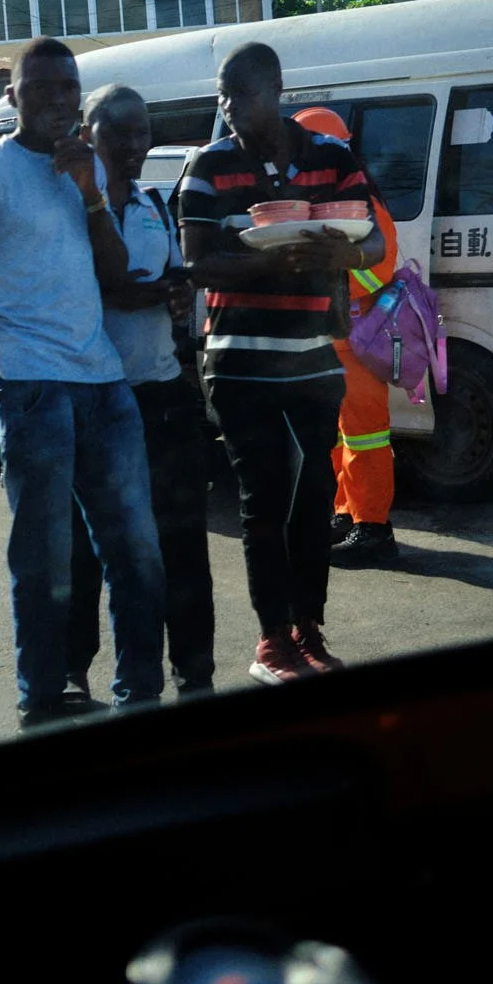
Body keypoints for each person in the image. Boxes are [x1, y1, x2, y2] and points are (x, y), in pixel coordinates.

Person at [0, 37, 167, 729]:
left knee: (137, 552)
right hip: (34, 389)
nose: (59, 100)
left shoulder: (85, 169)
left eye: (69, 87)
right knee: (43, 557)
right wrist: (2, 332)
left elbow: (115, 274)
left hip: (104, 384)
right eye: (42, 88)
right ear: (13, 97)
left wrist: (89, 192)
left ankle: (141, 696)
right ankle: (43, 700)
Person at [177, 43, 388, 686]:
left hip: (314, 360)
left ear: (275, 90)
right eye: (222, 94)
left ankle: (308, 628)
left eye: (240, 93)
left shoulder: (332, 157)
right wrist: (270, 260)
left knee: (314, 497)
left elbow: (374, 240)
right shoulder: (208, 165)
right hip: (239, 361)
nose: (228, 106)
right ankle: (272, 640)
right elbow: (197, 263)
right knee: (264, 499)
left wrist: (341, 257)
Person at [64, 85, 215, 706]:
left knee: (182, 542)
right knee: (84, 547)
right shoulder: (69, 208)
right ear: (87, 133)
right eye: (118, 131)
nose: (134, 144)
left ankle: (195, 674)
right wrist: (142, 294)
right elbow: (87, 290)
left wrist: (177, 293)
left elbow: (176, 278)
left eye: (142, 131)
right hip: (93, 399)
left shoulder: (155, 203)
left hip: (162, 395)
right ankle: (72, 671)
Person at [288, 107, 403, 568]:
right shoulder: (337, 198)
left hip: (355, 339)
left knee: (366, 436)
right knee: (341, 437)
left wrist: (331, 281)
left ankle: (373, 529)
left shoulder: (361, 202)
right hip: (336, 339)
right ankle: (348, 514)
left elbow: (380, 266)